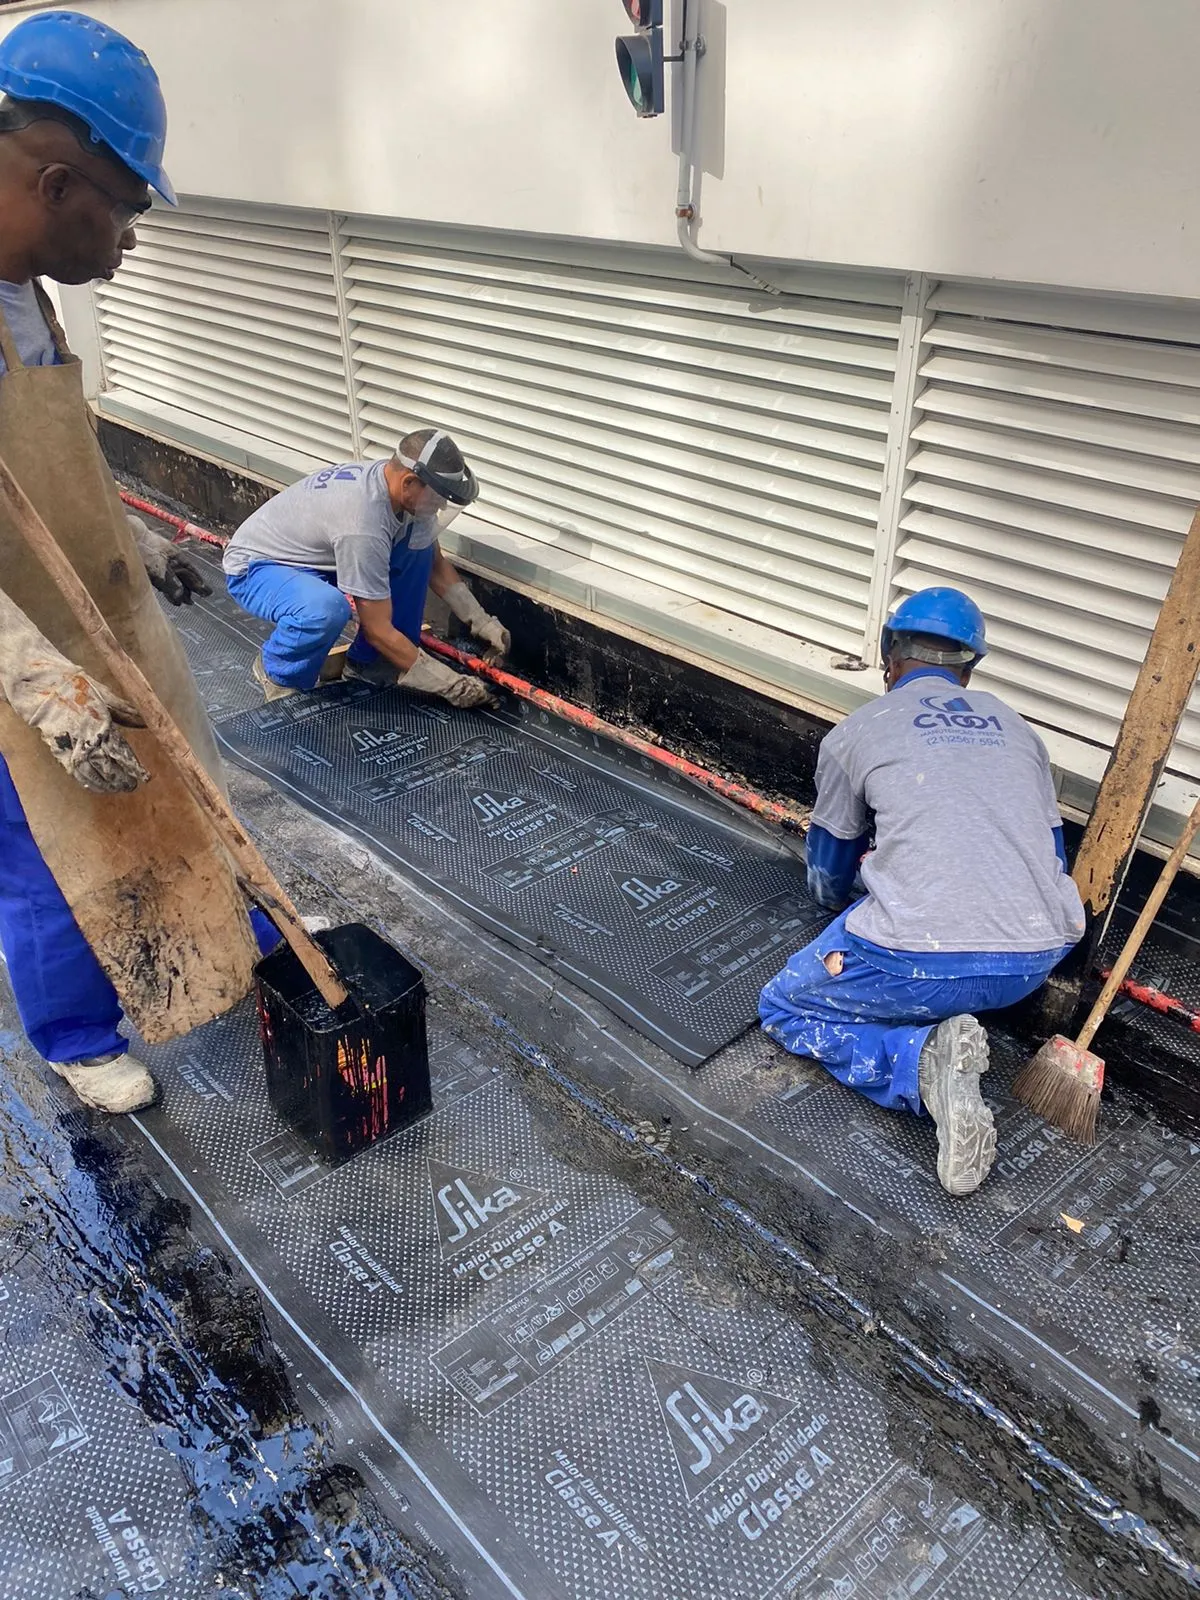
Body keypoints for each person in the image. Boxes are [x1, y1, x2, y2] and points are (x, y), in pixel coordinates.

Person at [0, 11, 275, 1117]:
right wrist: (40, 680)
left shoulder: (25, 291)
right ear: (57, 185)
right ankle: (75, 1036)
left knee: (180, 778)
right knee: (48, 847)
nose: (127, 241)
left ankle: (230, 928)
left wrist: (138, 542)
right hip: (16, 658)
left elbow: (50, 459)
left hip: (80, 610)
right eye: (125, 212)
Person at [759, 587, 1085, 1197]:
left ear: (889, 658)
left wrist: (847, 900)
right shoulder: (1021, 732)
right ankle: (947, 1024)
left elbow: (828, 872)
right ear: (970, 668)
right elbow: (1052, 858)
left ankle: (920, 1062)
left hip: (917, 967)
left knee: (786, 1007)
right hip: (1033, 960)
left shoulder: (858, 732)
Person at [223, 429, 509, 709]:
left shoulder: (397, 486)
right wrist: (451, 685)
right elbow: (377, 629)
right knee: (326, 609)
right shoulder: (363, 523)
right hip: (259, 567)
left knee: (418, 549)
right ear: (409, 482)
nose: (441, 505)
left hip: (320, 556)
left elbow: (434, 563)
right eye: (438, 497)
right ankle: (280, 674)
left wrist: (482, 622)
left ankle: (373, 662)